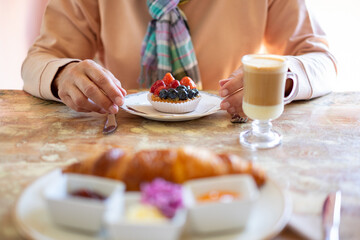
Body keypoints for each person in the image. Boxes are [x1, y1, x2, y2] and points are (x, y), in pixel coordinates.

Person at [22, 0, 337, 116]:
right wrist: (64, 74)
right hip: (120, 135)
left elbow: (321, 60)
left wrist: (283, 79)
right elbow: (40, 60)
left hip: (228, 134)